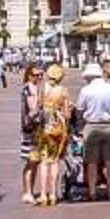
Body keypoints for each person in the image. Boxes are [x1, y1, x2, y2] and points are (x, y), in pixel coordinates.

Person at [75, 63, 110, 201]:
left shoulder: (86, 90)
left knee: (92, 161)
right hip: (109, 126)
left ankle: (92, 191)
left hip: (92, 125)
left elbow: (79, 109)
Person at [29, 74, 72, 206]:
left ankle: (43, 194)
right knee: (54, 161)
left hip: (44, 125)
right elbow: (67, 114)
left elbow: (37, 106)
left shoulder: (42, 88)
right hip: (58, 126)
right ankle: (53, 194)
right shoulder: (63, 91)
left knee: (43, 161)